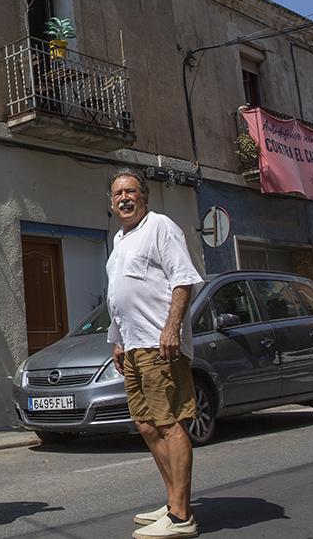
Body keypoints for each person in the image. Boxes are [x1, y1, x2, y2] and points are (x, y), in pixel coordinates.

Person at [105, 169, 204, 539]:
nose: (124, 198)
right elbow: (119, 296)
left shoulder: (160, 226)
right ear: (112, 202)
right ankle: (173, 501)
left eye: (131, 191)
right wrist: (117, 338)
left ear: (144, 197)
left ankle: (182, 516)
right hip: (132, 346)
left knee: (169, 422)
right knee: (146, 425)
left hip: (158, 343)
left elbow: (183, 278)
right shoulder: (120, 239)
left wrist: (171, 327)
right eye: (118, 193)